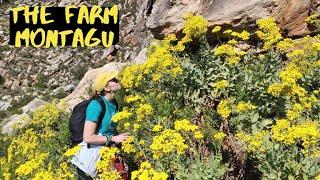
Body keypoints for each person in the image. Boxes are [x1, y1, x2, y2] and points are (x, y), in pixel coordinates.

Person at [71, 71, 130, 180]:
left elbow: (109, 128)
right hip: (92, 158)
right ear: (106, 88)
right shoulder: (96, 105)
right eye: (113, 80)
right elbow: (88, 137)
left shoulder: (114, 103)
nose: (117, 80)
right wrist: (114, 138)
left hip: (107, 152)